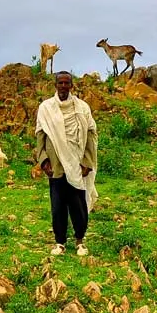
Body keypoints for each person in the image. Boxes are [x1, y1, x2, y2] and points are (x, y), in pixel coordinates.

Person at [35, 71, 98, 256]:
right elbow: (40, 135)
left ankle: (80, 241)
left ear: (72, 86)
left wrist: (87, 162)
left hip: (77, 165)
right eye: (60, 83)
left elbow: (91, 135)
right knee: (58, 206)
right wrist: (43, 160)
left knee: (78, 205)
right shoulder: (46, 108)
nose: (63, 86)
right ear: (55, 85)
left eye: (66, 83)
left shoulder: (82, 108)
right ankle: (60, 242)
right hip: (55, 166)